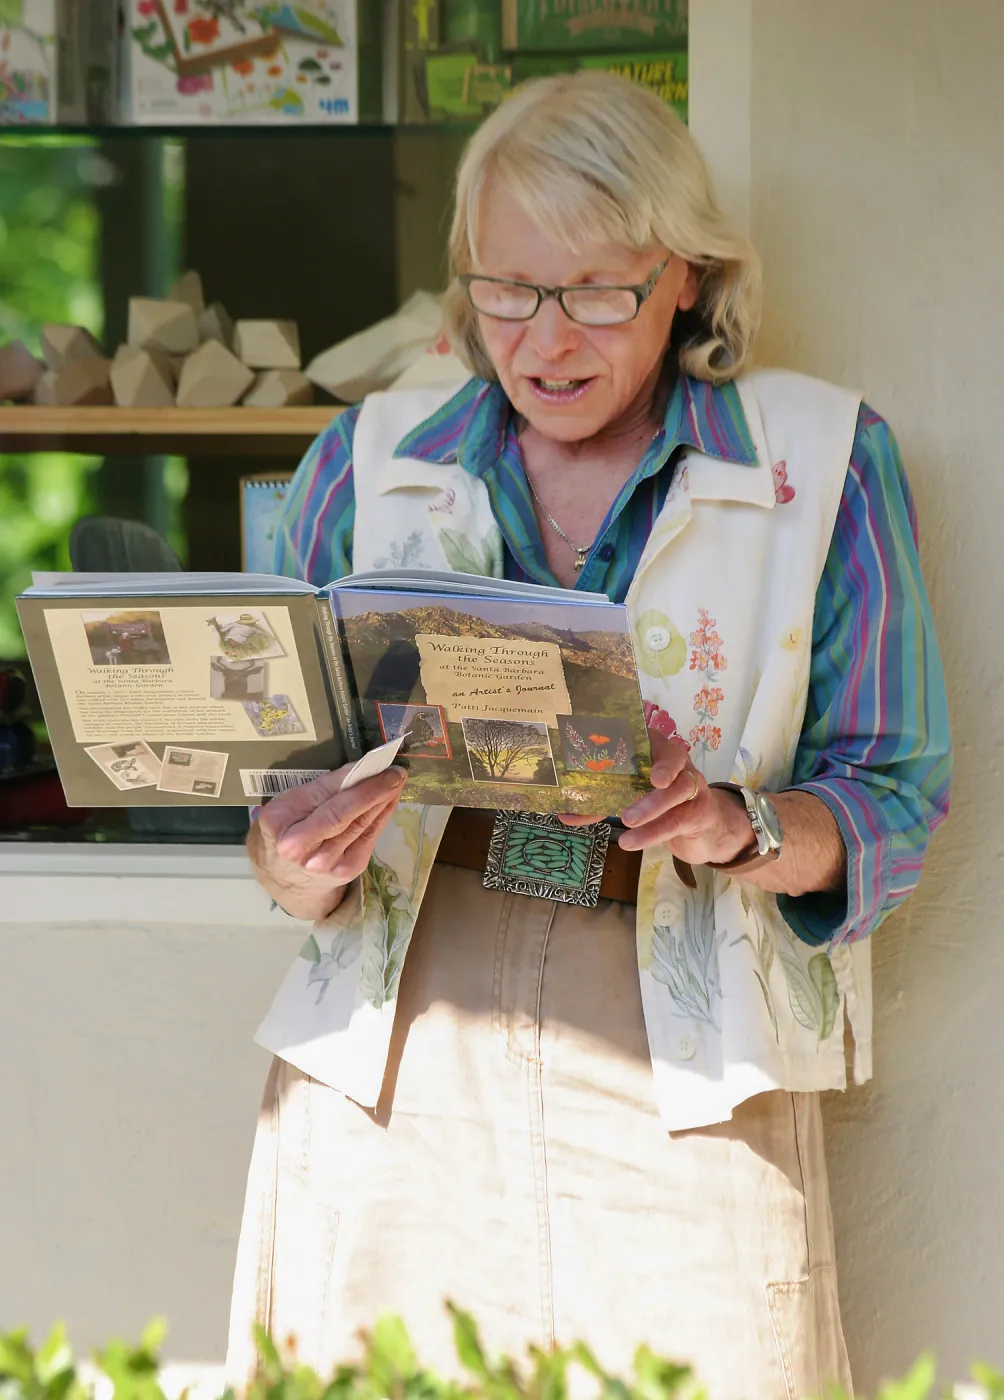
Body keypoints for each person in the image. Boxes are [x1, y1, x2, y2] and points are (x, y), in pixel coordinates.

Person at [225, 72, 951, 1400]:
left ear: (686, 277)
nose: (546, 340)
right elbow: (287, 811)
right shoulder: (366, 460)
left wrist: (734, 824)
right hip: (398, 1052)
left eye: (597, 292)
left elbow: (893, 800)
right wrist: (295, 856)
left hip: (688, 1053)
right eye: (507, 289)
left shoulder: (826, 461)